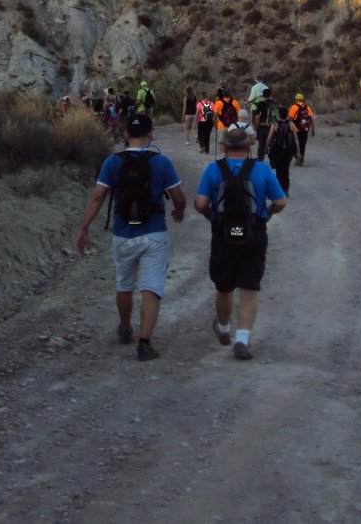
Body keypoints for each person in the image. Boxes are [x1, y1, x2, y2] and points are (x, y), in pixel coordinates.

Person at [75, 113, 187, 361]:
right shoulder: (162, 162)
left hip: (123, 233)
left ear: (125, 134)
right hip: (154, 233)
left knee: (124, 284)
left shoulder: (112, 162)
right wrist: (179, 210)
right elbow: (178, 197)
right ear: (150, 135)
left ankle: (125, 328)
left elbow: (97, 197)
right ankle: (145, 343)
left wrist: (83, 229)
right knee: (151, 288)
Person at [194, 126, 287, 361]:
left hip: (223, 235)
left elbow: (201, 203)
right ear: (249, 147)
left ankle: (224, 328)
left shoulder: (214, 170)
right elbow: (281, 201)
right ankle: (242, 340)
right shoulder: (263, 170)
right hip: (254, 234)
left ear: (223, 147)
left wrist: (210, 216)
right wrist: (270, 213)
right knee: (249, 288)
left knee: (223, 286)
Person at [266, 107, 301, 195]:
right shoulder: (291, 124)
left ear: (279, 114)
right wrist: (298, 151)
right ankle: (286, 189)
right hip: (288, 150)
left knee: (279, 170)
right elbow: (296, 138)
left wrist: (266, 147)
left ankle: (280, 189)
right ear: (287, 114)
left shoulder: (275, 124)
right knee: (286, 169)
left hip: (278, 150)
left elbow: (269, 137)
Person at [288, 93, 316, 165]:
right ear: (302, 100)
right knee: (302, 145)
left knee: (293, 144)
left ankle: (297, 156)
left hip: (296, 130)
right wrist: (312, 130)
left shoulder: (294, 107)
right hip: (305, 129)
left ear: (296, 99)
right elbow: (312, 119)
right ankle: (301, 160)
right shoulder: (307, 108)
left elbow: (290, 119)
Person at [250, 87, 275, 160]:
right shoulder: (274, 104)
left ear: (263, 96)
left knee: (262, 144)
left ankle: (260, 159)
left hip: (262, 127)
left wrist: (256, 127)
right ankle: (273, 159)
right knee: (272, 143)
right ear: (270, 95)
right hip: (272, 127)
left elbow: (257, 117)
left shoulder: (261, 104)